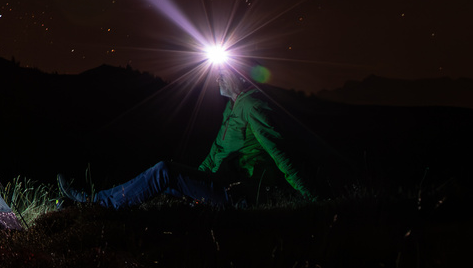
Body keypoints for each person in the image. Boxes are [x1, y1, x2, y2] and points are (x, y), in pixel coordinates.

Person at [58, 58, 314, 209]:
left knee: (164, 171)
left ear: (238, 76)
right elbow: (215, 155)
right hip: (221, 184)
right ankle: (92, 204)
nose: (218, 80)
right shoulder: (231, 108)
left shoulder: (252, 105)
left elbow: (279, 152)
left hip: (239, 194)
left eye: (222, 74)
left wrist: (311, 198)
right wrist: (196, 180)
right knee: (163, 183)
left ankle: (96, 204)